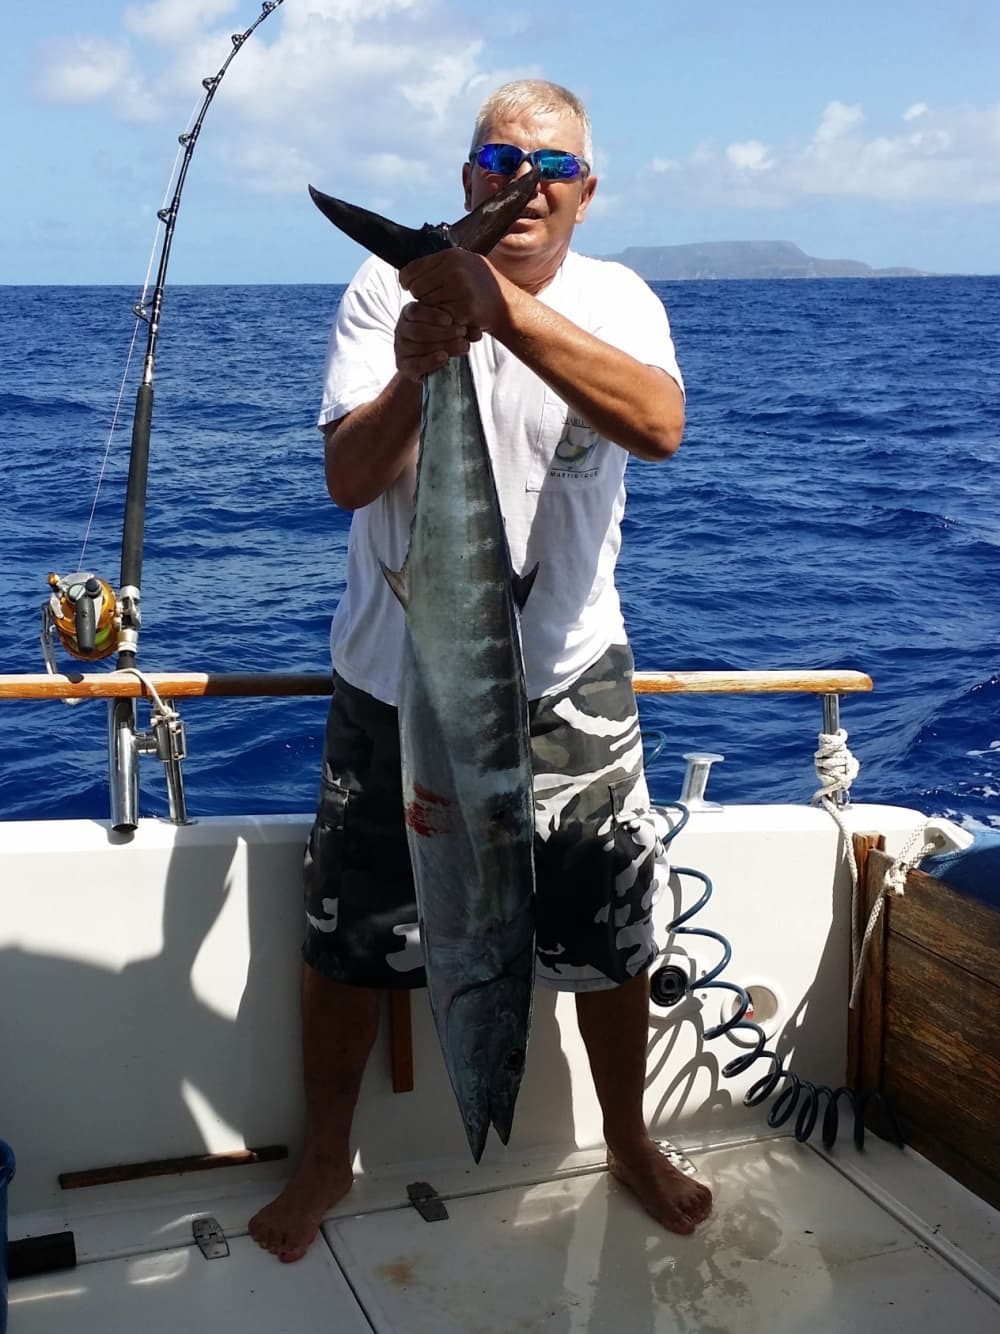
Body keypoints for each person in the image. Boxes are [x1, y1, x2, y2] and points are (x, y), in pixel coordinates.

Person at [250, 79, 712, 1264]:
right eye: (501, 159)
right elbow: (350, 481)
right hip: (397, 689)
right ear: (465, 175)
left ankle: (624, 1137)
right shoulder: (382, 285)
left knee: (612, 938)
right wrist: (420, 359)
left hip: (568, 683)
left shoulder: (620, 301)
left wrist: (498, 310)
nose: (525, 183)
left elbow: (658, 425)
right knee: (350, 936)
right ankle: (324, 1158)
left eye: (551, 167)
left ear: (586, 191)